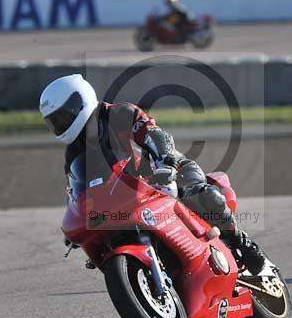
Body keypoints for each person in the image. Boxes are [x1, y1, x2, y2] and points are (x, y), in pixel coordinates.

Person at [39, 74, 266, 274]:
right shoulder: (73, 154)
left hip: (163, 172)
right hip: (128, 199)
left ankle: (242, 242)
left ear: (80, 102)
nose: (60, 125)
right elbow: (76, 192)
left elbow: (155, 135)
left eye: (63, 117)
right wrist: (77, 221)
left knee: (201, 195)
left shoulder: (117, 114)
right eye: (54, 122)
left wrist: (165, 164)